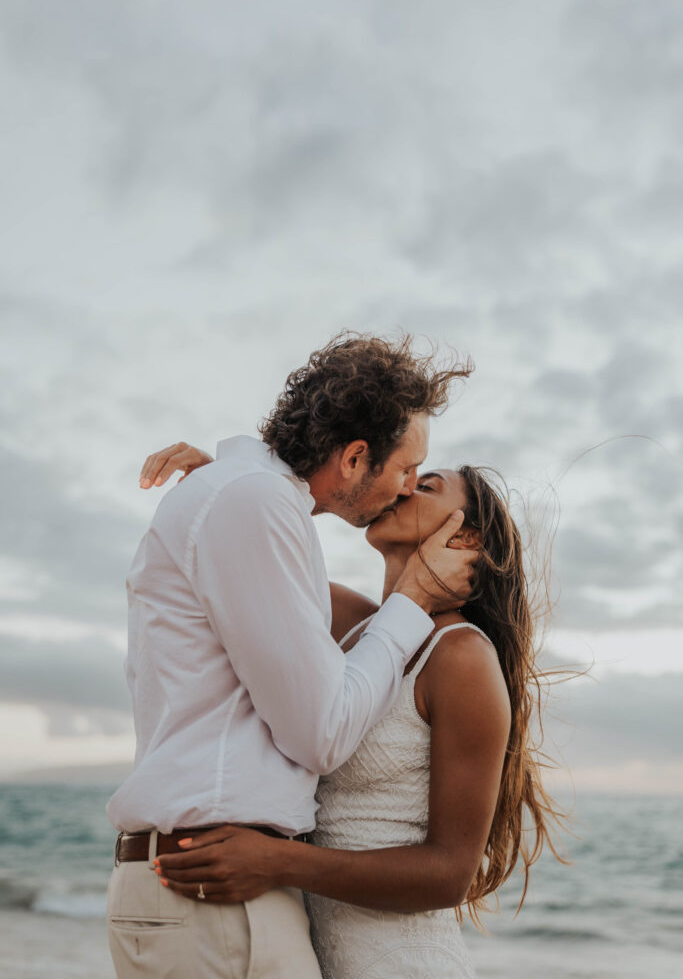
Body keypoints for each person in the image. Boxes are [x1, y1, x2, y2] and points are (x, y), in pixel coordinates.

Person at [106, 333, 478, 979]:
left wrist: (225, 489)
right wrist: (415, 592)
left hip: (240, 901)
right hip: (216, 899)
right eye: (407, 468)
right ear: (356, 456)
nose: (407, 485)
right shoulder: (255, 504)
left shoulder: (258, 510)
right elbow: (323, 734)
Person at [151, 464, 566, 978]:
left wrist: (276, 862)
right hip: (308, 956)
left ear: (465, 535)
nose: (404, 486)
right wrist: (226, 482)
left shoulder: (461, 657)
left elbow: (449, 875)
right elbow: (259, 557)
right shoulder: (352, 625)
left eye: (428, 486)